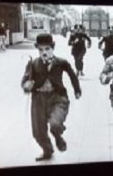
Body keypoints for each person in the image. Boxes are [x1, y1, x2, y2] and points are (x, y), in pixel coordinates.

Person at [22, 33, 81, 161]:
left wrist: (77, 90)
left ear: (53, 48)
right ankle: (47, 150)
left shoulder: (61, 62)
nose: (44, 52)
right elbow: (25, 80)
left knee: (55, 123)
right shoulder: (33, 64)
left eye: (47, 49)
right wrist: (27, 85)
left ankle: (58, 136)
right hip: (38, 100)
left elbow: (72, 75)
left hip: (58, 98)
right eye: (41, 49)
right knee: (38, 131)